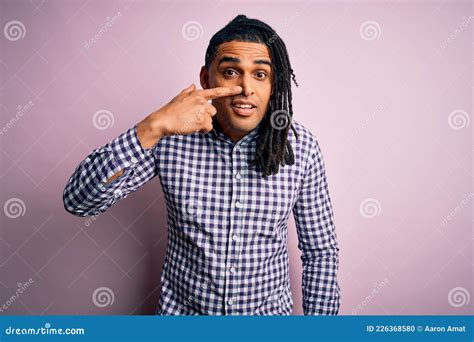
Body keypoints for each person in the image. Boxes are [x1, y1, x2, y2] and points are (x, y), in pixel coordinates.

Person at [63, 14, 341, 315]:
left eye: (260, 74)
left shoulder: (302, 147)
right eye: (231, 71)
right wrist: (151, 127)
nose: (246, 88)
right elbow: (80, 201)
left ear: (274, 84)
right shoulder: (170, 139)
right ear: (206, 79)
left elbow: (321, 252)